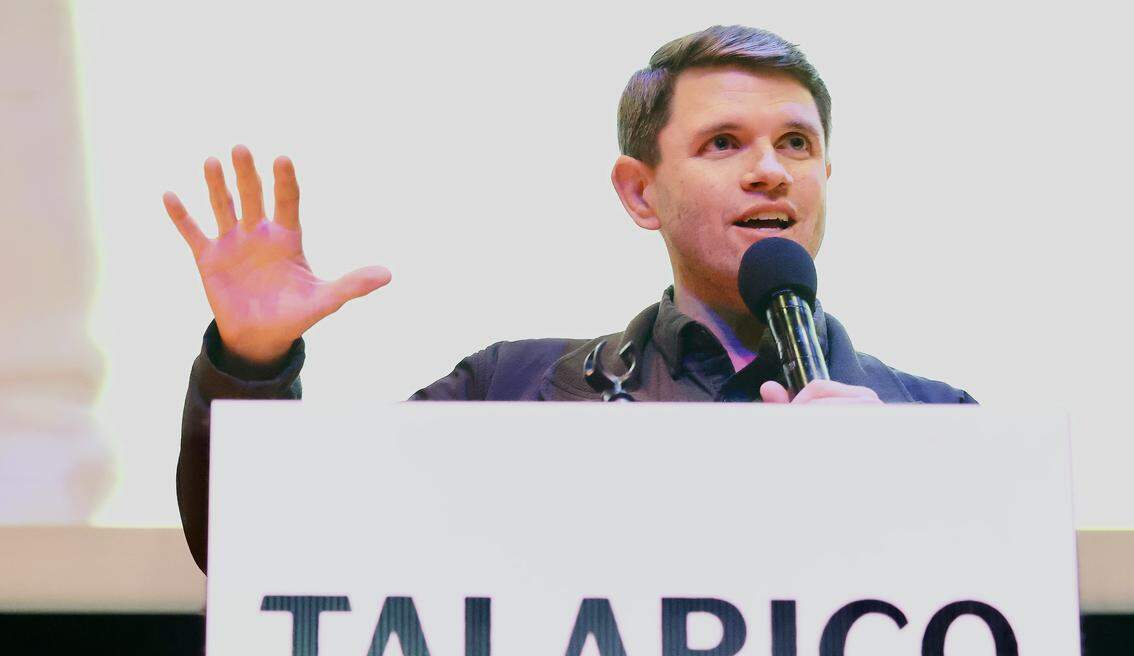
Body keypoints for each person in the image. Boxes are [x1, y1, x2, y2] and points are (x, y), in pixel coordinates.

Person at [165, 25, 975, 573]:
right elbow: (265, 552)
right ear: (639, 193)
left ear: (826, 177)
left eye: (796, 143)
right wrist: (251, 365)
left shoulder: (942, 425)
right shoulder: (509, 391)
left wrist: (902, 484)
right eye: (724, 142)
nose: (771, 168)